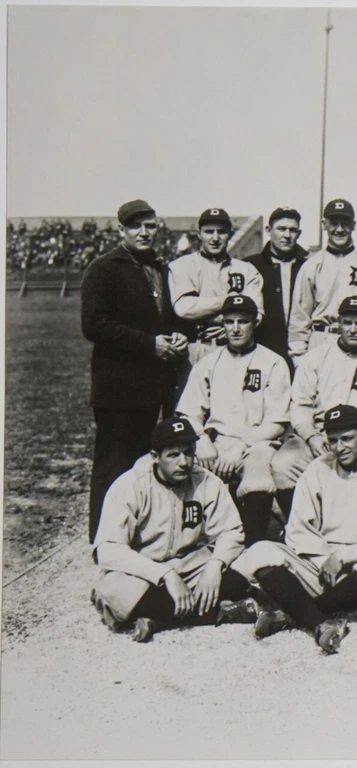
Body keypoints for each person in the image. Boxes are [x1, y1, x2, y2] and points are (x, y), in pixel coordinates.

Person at [233, 405, 357, 654]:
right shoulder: (318, 468)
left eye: (347, 438)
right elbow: (298, 530)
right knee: (260, 550)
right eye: (333, 440)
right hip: (323, 564)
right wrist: (326, 559)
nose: (339, 448)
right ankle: (319, 621)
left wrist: (344, 557)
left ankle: (295, 613)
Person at [91, 417, 257, 643]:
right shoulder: (129, 485)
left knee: (248, 568)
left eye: (188, 452)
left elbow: (232, 531)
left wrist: (215, 566)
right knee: (114, 588)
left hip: (192, 566)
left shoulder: (206, 481)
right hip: (146, 572)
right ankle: (216, 612)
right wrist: (164, 575)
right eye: (173, 455)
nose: (184, 462)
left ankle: (159, 619)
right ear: (155, 457)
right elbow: (108, 550)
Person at [81, 199, 188, 543]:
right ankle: (103, 541)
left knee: (142, 466)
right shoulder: (104, 267)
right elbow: (94, 325)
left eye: (150, 226)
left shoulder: (158, 267)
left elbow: (163, 319)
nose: (144, 232)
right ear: (121, 230)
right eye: (135, 226)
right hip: (117, 386)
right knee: (112, 467)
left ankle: (134, 535)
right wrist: (149, 344)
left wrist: (175, 335)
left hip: (151, 387)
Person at [176, 295, 290, 544]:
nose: (236, 328)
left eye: (243, 321)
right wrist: (201, 439)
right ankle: (195, 542)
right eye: (229, 322)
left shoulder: (273, 362)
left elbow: (278, 422)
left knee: (258, 472)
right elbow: (188, 412)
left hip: (256, 443)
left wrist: (241, 446)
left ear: (255, 323)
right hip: (215, 444)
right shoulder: (208, 363)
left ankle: (254, 544)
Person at [271, 296, 357, 513]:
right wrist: (312, 436)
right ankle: (300, 522)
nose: (353, 329)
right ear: (338, 323)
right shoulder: (315, 357)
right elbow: (300, 405)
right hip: (319, 435)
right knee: (283, 464)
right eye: (347, 322)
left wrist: (356, 438)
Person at [287, 198, 357, 363]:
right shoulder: (311, 266)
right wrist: (299, 359)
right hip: (324, 339)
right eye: (334, 223)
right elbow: (299, 319)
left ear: (353, 225)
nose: (339, 229)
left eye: (345, 223)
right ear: (324, 224)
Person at [167, 208, 265, 368]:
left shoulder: (246, 270)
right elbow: (184, 308)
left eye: (221, 232)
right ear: (199, 234)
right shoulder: (182, 265)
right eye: (209, 232)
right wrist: (232, 302)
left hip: (236, 350)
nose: (215, 238)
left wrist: (203, 310)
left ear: (230, 234)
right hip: (196, 349)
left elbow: (256, 314)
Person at [245, 207, 311, 371]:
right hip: (263, 352)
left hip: (301, 355)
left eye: (293, 230)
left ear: (299, 233)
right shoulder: (250, 265)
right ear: (269, 230)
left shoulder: (309, 266)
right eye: (281, 229)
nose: (287, 235)